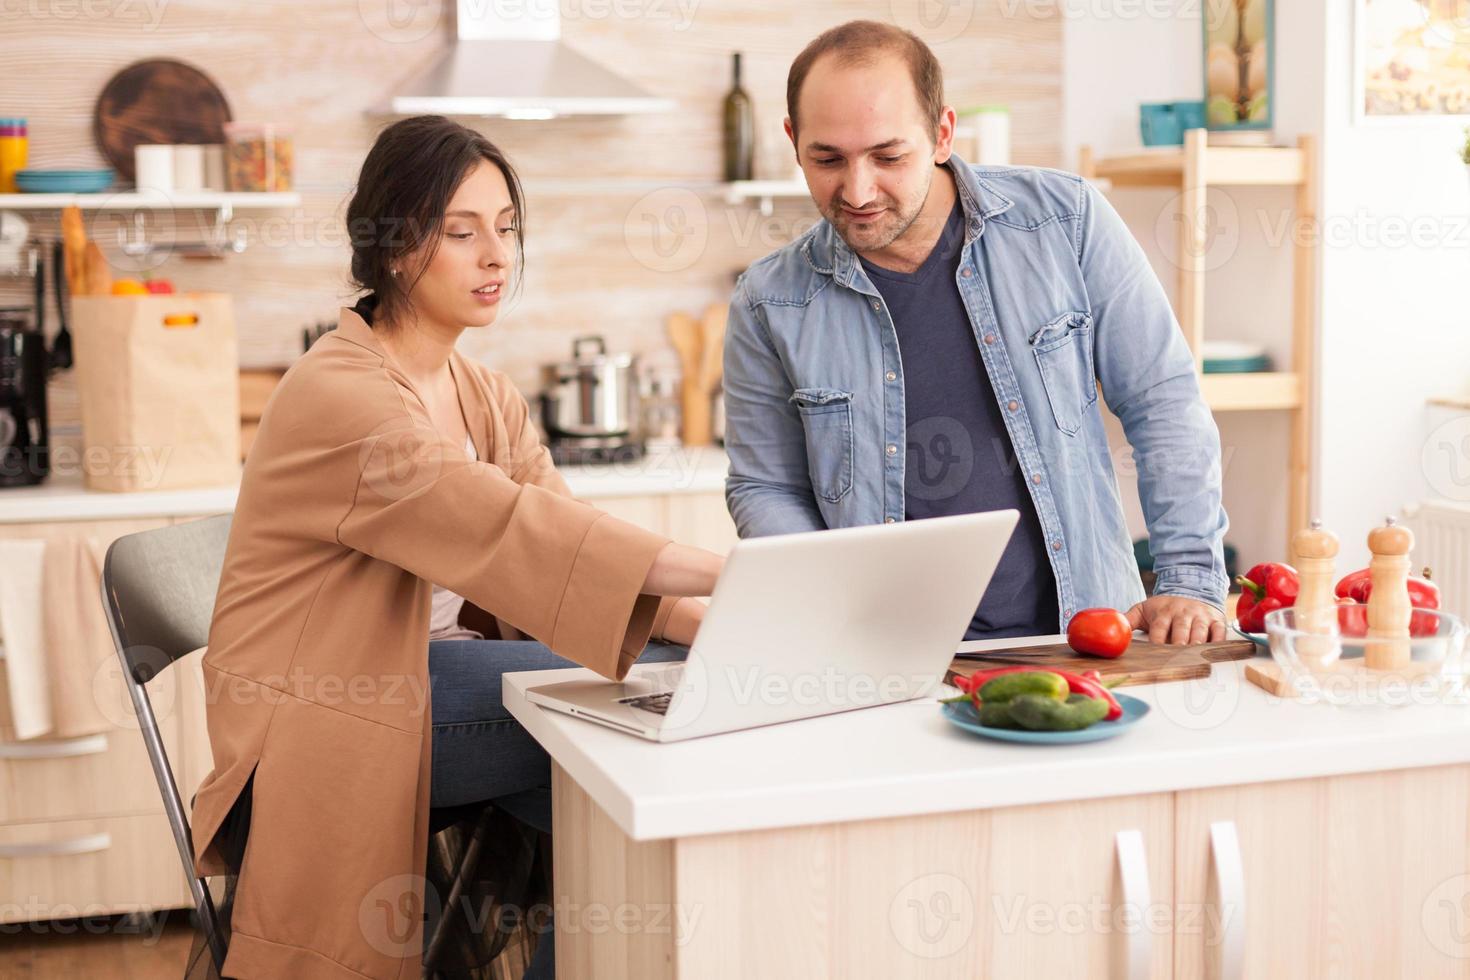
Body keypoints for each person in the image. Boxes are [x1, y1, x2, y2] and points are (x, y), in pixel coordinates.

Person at [188, 115, 724, 980]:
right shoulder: (342, 393)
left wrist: (734, 622)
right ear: (397, 249)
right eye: (463, 232)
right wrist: (734, 577)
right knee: (616, 725)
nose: (497, 257)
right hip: (325, 707)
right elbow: (523, 536)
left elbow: (571, 551)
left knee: (624, 790)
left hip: (433, 680)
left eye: (507, 229)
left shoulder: (482, 390)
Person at [723, 20, 1230, 645]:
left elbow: (1163, 402)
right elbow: (765, 485)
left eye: (888, 156)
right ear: (793, 140)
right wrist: (826, 609)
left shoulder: (1066, 221)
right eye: (827, 159)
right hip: (883, 653)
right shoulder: (768, 299)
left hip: (1085, 635)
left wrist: (1187, 579)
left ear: (941, 134)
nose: (857, 191)